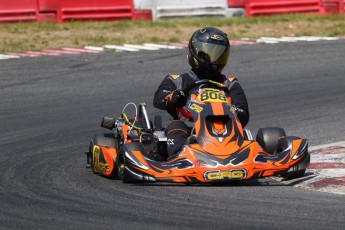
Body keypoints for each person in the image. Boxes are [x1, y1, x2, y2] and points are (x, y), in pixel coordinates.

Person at [153, 27, 249, 157]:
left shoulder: (230, 83)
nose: (213, 60)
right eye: (209, 54)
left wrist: (231, 110)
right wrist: (174, 97)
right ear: (195, 52)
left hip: (224, 129)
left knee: (242, 130)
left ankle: (238, 152)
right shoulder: (178, 80)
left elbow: (243, 112)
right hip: (189, 128)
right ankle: (181, 155)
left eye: (218, 55)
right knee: (176, 126)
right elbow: (159, 98)